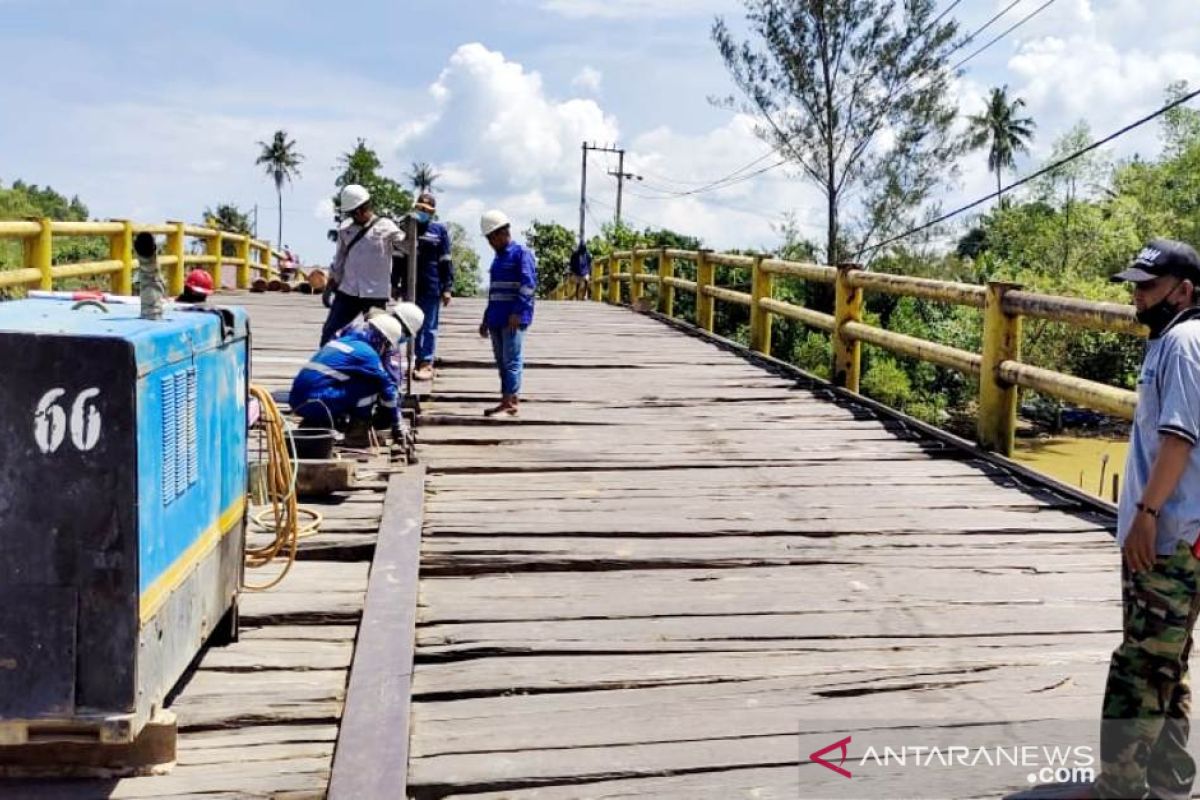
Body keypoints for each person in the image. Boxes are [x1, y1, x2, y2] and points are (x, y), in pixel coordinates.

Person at [1090, 239, 1200, 799]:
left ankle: (1120, 786)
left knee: (1138, 668)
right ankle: (1171, 780)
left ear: (1184, 290)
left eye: (1149, 287)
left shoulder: (1182, 341)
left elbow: (1178, 438)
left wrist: (1146, 515)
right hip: (1183, 535)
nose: (1138, 297)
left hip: (1168, 534)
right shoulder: (1173, 338)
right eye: (1135, 286)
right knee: (1164, 662)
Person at [289, 313, 413, 443]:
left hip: (299, 401)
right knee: (372, 385)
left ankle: (316, 423)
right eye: (387, 345)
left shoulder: (344, 340)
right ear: (383, 339)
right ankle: (357, 433)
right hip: (317, 403)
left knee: (354, 381)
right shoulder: (367, 354)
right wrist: (397, 423)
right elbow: (388, 388)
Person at [320, 184, 407, 346]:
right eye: (351, 213)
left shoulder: (386, 226)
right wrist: (330, 286)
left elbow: (407, 247)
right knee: (330, 333)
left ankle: (374, 368)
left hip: (375, 293)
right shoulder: (345, 229)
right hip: (348, 290)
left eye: (357, 211)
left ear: (363, 208)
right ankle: (325, 366)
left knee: (378, 337)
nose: (355, 216)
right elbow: (339, 260)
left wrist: (412, 230)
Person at [477, 209, 536, 417]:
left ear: (503, 232)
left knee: (511, 360)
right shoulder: (497, 259)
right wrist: (485, 319)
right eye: (488, 239)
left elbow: (528, 285)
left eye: (492, 238)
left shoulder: (521, 253)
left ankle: (510, 402)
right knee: (502, 362)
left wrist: (517, 311)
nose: (491, 243)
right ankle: (507, 398)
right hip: (496, 317)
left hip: (513, 319)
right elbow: (494, 291)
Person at [392, 192, 453, 380]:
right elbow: (399, 260)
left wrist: (447, 288)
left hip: (432, 285)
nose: (423, 212)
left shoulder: (439, 231)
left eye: (427, 210)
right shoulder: (407, 229)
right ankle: (411, 360)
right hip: (410, 287)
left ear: (433, 212)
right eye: (420, 208)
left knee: (429, 326)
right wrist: (394, 284)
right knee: (409, 325)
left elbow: (446, 261)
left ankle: (426, 362)